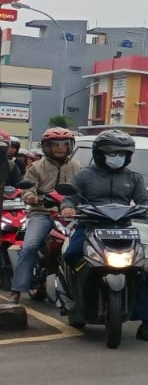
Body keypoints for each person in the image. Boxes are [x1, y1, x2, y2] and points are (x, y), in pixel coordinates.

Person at [58, 130, 148, 341]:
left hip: (124, 229)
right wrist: (67, 207)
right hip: (90, 226)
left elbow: (144, 201)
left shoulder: (133, 178)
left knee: (139, 272)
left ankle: (147, 324)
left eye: (122, 153)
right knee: (72, 255)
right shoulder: (85, 175)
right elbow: (70, 198)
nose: (117, 157)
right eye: (112, 153)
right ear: (99, 154)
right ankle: (71, 300)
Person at [11, 126, 80, 304]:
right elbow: (28, 188)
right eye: (55, 144)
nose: (60, 148)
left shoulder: (77, 166)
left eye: (64, 144)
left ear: (70, 146)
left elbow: (84, 190)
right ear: (47, 147)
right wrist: (31, 196)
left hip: (69, 216)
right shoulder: (36, 166)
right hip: (42, 213)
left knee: (84, 247)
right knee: (30, 246)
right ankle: (16, 291)